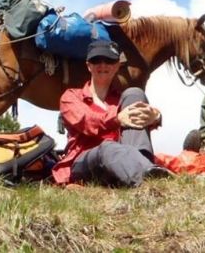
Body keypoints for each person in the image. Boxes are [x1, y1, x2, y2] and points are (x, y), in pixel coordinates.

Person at [51, 39, 172, 187]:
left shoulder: (122, 100)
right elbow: (86, 121)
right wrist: (117, 119)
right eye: (96, 60)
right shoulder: (71, 97)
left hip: (120, 163)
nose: (103, 65)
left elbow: (141, 116)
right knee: (107, 147)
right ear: (89, 66)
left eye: (109, 60)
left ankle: (144, 168)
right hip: (84, 164)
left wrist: (156, 117)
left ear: (117, 66)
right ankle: (148, 177)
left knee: (134, 93)